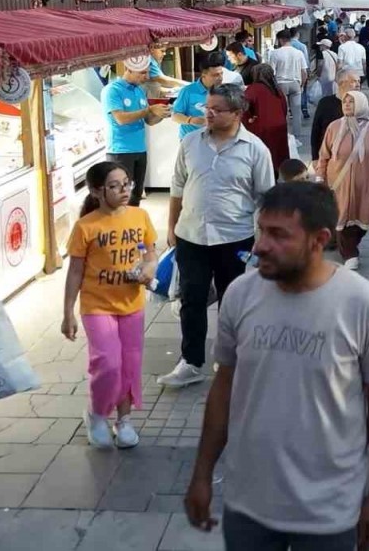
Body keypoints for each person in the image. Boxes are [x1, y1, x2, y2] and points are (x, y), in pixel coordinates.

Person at [183, 182, 369, 551]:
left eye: (278, 235)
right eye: (261, 231)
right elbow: (224, 387)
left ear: (319, 240)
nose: (259, 246)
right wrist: (202, 473)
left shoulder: (365, 305)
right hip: (247, 504)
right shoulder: (239, 294)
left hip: (329, 512)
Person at [161, 83, 275, 388]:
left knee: (233, 303)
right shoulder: (191, 143)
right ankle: (191, 361)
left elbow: (265, 198)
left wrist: (263, 241)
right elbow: (177, 186)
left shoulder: (255, 149)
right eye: (206, 108)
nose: (208, 114)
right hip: (191, 235)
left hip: (235, 238)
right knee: (192, 300)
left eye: (216, 110)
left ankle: (230, 360)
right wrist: (171, 227)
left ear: (237, 113)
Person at [63, 161, 158, 449]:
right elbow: (75, 271)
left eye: (126, 184)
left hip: (132, 303)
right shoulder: (85, 227)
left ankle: (124, 420)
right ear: (96, 191)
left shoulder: (139, 216)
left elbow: (150, 254)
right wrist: (68, 312)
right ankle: (97, 414)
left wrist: (149, 269)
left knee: (130, 364)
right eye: (114, 186)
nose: (123, 190)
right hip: (97, 306)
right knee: (107, 363)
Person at [316, 91, 369, 270]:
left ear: (361, 104)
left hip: (365, 185)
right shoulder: (334, 127)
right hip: (338, 183)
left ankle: (349, 246)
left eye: (352, 102)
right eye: (345, 102)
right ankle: (350, 254)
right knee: (341, 218)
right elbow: (324, 155)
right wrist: (320, 177)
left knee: (362, 221)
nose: (347, 105)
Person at [104, 55, 172, 206]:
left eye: (147, 72)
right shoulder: (112, 90)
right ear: (128, 69)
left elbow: (148, 121)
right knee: (120, 197)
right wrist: (149, 110)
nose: (146, 77)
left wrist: (162, 113)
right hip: (120, 151)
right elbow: (120, 118)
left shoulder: (140, 91)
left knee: (135, 195)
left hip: (140, 150)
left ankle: (133, 227)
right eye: (142, 73)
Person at [242, 64, 291, 174]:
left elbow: (243, 107)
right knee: (278, 155)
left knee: (266, 157)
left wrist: (248, 119)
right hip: (280, 126)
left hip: (263, 128)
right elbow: (284, 108)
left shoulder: (254, 89)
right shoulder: (277, 90)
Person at [172, 52, 227, 139]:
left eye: (221, 73)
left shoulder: (224, 91)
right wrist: (190, 120)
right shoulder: (188, 91)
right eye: (215, 75)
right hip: (191, 140)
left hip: (216, 140)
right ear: (203, 75)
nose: (220, 78)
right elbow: (175, 116)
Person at [266, 30, 309, 134]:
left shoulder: (275, 53)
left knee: (282, 111)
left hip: (281, 83)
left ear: (280, 40)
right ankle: (297, 135)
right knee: (296, 111)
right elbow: (304, 72)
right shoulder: (299, 53)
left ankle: (284, 134)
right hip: (295, 83)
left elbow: (271, 72)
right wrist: (302, 84)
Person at [311, 69, 360, 156]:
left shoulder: (362, 103)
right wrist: (315, 157)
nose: (358, 85)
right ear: (341, 83)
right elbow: (316, 131)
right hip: (330, 155)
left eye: (359, 81)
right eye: (353, 81)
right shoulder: (325, 103)